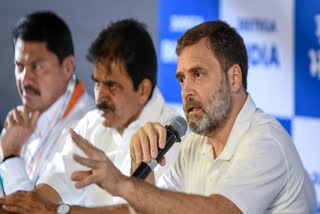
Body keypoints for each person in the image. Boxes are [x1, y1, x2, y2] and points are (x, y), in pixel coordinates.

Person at [51, 20, 317, 213]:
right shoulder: (193, 143)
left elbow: (219, 211)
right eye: (181, 79)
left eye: (198, 75)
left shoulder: (265, 143)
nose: (186, 90)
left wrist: (123, 185)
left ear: (234, 78)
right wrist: (142, 166)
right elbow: (156, 205)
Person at [0, 19, 181, 213]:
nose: (99, 97)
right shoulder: (92, 124)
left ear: (143, 90)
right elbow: (42, 197)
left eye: (111, 85)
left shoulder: (172, 135)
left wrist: (55, 211)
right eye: (97, 83)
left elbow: (135, 212)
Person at [0, 11, 94, 196]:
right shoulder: (20, 119)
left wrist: (11, 156)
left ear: (67, 67)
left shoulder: (86, 129)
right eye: (19, 65)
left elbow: (35, 209)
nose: (24, 79)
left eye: (36, 66)